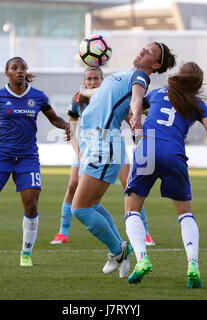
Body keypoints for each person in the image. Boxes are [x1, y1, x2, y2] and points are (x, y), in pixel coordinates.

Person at [71, 42, 176, 278]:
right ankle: (121, 248)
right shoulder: (126, 74)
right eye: (144, 47)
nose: (142, 51)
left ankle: (116, 251)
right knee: (93, 206)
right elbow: (104, 94)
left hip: (104, 144)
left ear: (156, 65)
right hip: (94, 142)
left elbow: (137, 96)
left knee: (79, 210)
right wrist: (85, 92)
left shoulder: (139, 77)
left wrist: (137, 112)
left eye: (149, 52)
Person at [0, 57, 70, 267]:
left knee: (31, 205)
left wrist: (66, 126)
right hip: (1, 156)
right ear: (7, 72)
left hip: (28, 158)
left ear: (26, 71)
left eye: (22, 68)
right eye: (14, 68)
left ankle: (25, 255)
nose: (19, 71)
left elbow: (54, 119)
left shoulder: (38, 97)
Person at [124, 62, 207, 287]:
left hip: (148, 149)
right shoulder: (198, 104)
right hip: (174, 153)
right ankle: (193, 265)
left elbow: (134, 107)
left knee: (131, 210)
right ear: (198, 84)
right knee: (185, 215)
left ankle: (142, 260)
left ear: (178, 76)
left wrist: (136, 118)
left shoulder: (159, 92)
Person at [50, 67, 155, 246]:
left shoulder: (108, 95)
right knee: (73, 186)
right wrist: (79, 154)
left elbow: (128, 114)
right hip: (86, 146)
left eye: (96, 79)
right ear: (84, 81)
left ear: (102, 80)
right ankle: (63, 232)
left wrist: (137, 119)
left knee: (129, 185)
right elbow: (73, 128)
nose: (92, 82)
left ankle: (143, 233)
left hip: (110, 142)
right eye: (89, 79)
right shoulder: (78, 99)